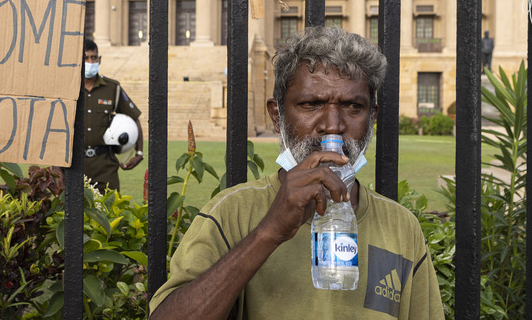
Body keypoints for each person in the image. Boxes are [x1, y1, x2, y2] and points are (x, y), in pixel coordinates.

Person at [149, 26, 443, 319]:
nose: (332, 125)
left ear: (372, 118)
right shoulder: (231, 215)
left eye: (353, 106)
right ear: (277, 116)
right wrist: (269, 232)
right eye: (311, 104)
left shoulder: (401, 228)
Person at [83, 38, 144, 192]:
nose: (90, 62)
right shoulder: (68, 89)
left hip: (105, 166)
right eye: (85, 58)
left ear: (99, 59)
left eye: (94, 57)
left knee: (109, 212)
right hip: (75, 165)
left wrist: (139, 152)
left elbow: (134, 119)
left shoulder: (112, 88)